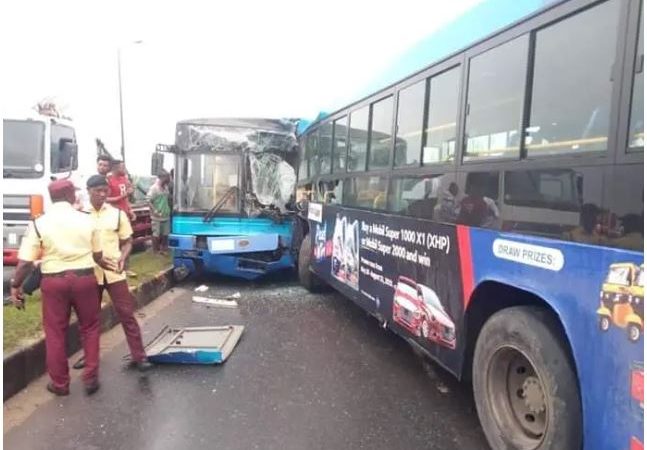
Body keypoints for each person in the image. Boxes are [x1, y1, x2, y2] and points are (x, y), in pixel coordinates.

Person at [9, 179, 114, 396]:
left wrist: (16, 285)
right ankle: (90, 379)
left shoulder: (39, 223)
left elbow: (26, 263)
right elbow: (97, 255)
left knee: (56, 332)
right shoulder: (87, 220)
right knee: (90, 328)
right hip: (85, 279)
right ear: (70, 196)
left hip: (54, 282)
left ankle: (60, 384)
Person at [74, 175, 152, 372]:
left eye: (105, 191)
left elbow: (127, 241)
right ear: (88, 191)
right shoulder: (79, 214)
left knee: (126, 314)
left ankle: (139, 355)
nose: (102, 194)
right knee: (89, 318)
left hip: (115, 272)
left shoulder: (117, 214)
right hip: (89, 273)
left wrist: (124, 256)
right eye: (97, 191)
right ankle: (89, 355)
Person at [147, 170, 171, 254]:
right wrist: (155, 210)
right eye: (166, 177)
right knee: (156, 234)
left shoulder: (165, 187)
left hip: (165, 214)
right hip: (157, 216)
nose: (168, 179)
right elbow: (149, 200)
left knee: (165, 234)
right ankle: (155, 250)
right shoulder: (154, 188)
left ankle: (164, 249)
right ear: (161, 178)